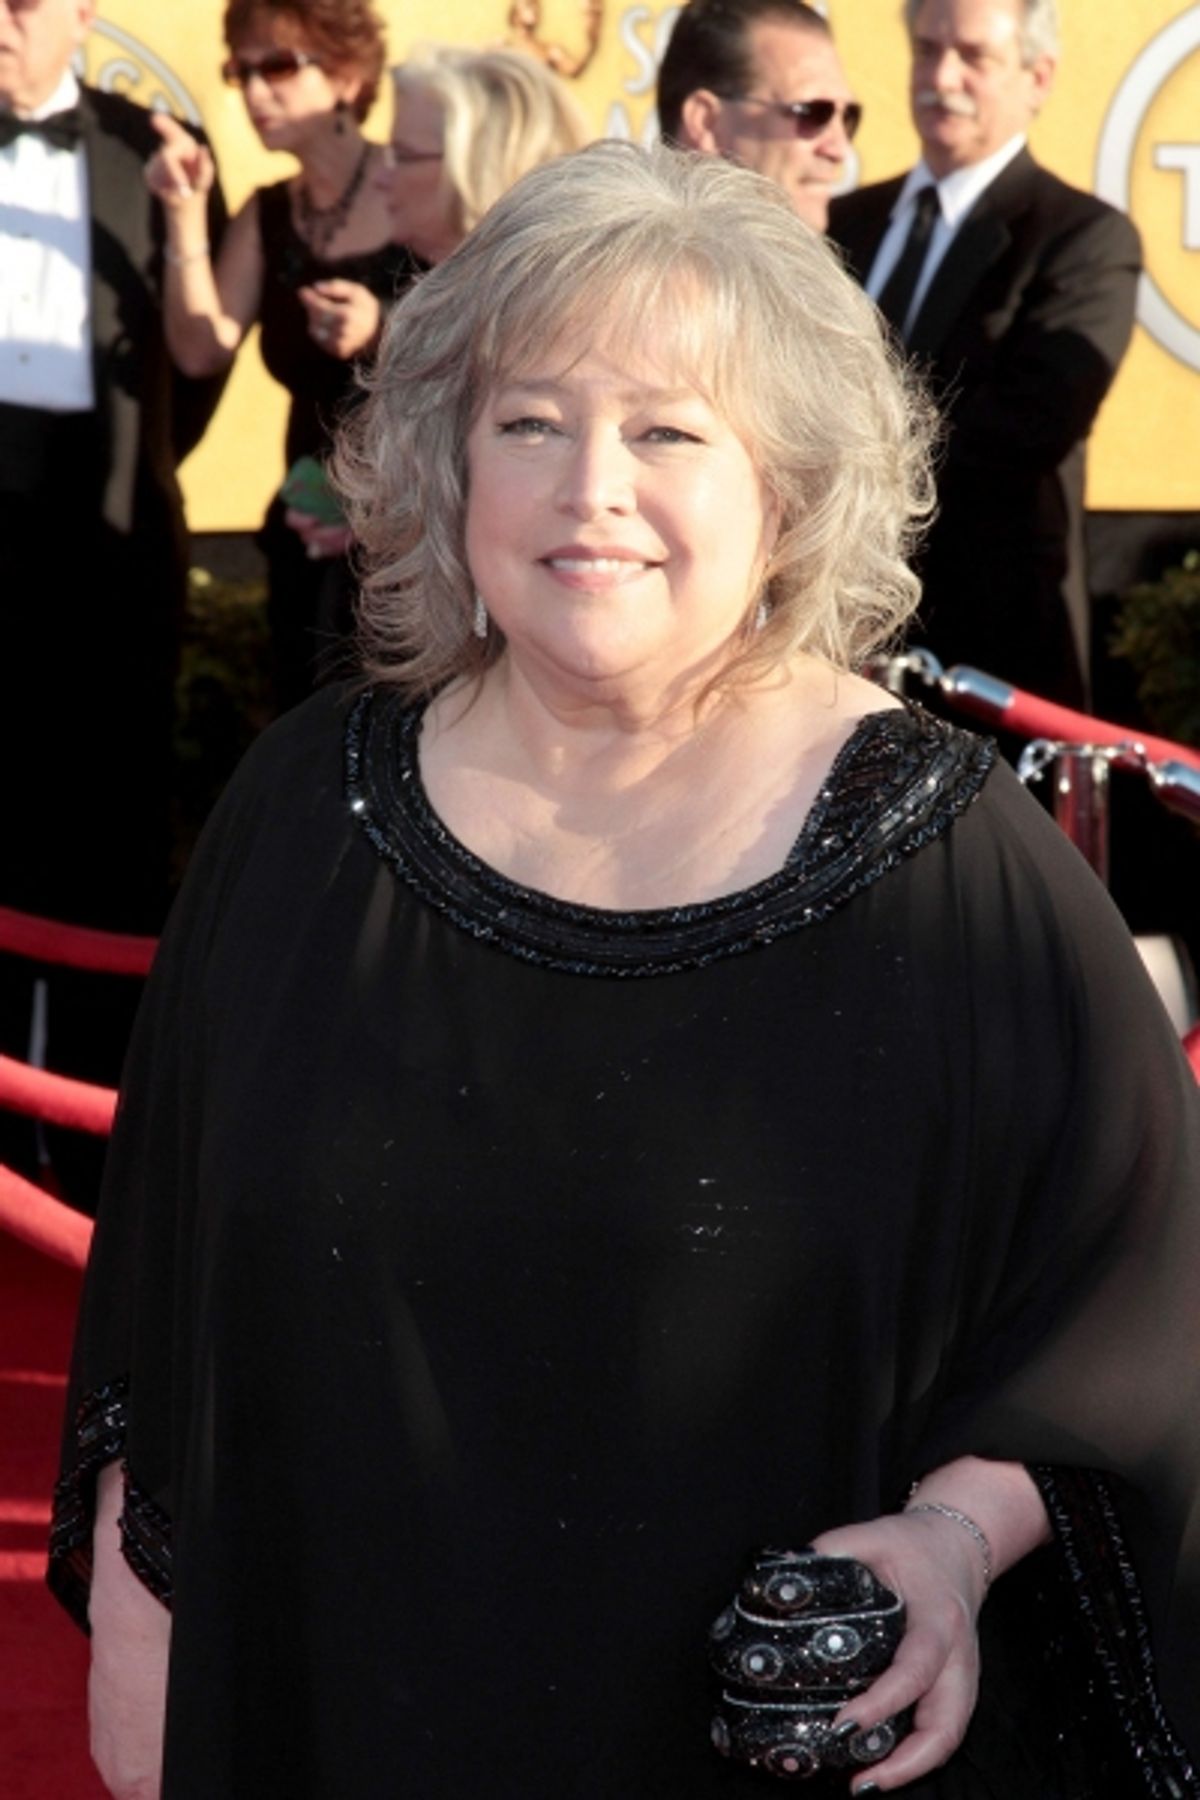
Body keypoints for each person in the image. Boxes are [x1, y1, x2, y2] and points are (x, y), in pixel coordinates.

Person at [49, 143, 1199, 1800]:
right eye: (530, 422)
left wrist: (953, 1539)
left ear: (786, 489)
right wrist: (154, 1674)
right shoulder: (307, 812)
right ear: (450, 465)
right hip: (341, 1727)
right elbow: (162, 1294)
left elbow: (1139, 1312)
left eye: (669, 431)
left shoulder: (951, 869)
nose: (590, 484)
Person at [0, 0, 226, 1201]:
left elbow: (198, 366)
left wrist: (131, 476)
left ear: (86, 10)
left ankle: (91, 1157)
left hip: (106, 567)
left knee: (101, 855)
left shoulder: (160, 153)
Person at [828, 0, 1141, 708]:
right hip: (836, 653)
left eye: (974, 56)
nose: (942, 76)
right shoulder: (842, 226)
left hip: (992, 667)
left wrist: (829, 461)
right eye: (926, 48)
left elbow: (1025, 430)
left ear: (1038, 76)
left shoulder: (1082, 240)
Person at [145, 0, 416, 712]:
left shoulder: (416, 184)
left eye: (279, 66)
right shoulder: (268, 213)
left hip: (415, 529)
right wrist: (181, 211)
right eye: (241, 71)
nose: (255, 92)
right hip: (305, 521)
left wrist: (388, 329)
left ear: (350, 76)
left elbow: (493, 331)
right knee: (306, 731)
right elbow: (202, 348)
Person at [286, 41, 592, 561]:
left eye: (403, 156)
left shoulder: (543, 320)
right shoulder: (424, 290)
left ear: (476, 162)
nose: (382, 176)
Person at [656, 0, 860, 231]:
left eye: (849, 117)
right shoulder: (619, 261)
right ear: (705, 122)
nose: (839, 149)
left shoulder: (860, 257)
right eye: (812, 113)